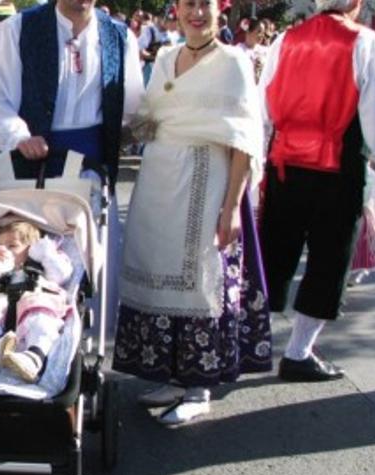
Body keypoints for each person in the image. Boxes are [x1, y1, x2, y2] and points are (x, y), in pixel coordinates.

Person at [115, 0, 272, 427]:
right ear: (177, 10)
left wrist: (232, 209)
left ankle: (199, 386)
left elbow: (244, 140)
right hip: (159, 181)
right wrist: (107, 133)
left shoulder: (234, 61)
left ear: (221, 11)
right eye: (188, 4)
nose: (196, 13)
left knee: (200, 280)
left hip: (207, 180)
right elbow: (149, 120)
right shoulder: (165, 57)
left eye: (205, 4)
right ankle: (172, 375)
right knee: (158, 269)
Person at [258, 0, 375, 382]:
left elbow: (262, 104)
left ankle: (251, 342)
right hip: (337, 168)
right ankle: (298, 352)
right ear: (355, 3)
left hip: (284, 164)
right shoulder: (366, 42)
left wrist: (259, 158)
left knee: (274, 252)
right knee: (329, 260)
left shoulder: (286, 40)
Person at [0, 0, 143, 337]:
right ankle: (20, 337)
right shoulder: (17, 29)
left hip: (91, 171)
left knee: (80, 268)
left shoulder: (119, 37)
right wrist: (18, 135)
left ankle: (76, 353)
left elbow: (132, 107)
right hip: (31, 169)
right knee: (28, 258)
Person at [0, 219, 74, 382]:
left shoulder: (43, 262)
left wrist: (46, 253)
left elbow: (62, 274)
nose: (4, 250)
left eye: (12, 246)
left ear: (32, 247)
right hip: (0, 304)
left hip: (33, 302)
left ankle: (33, 357)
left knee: (43, 320)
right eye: (0, 246)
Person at [237, 17, 267, 81]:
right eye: (259, 31)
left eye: (263, 33)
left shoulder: (265, 51)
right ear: (248, 31)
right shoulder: (238, 50)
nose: (262, 35)